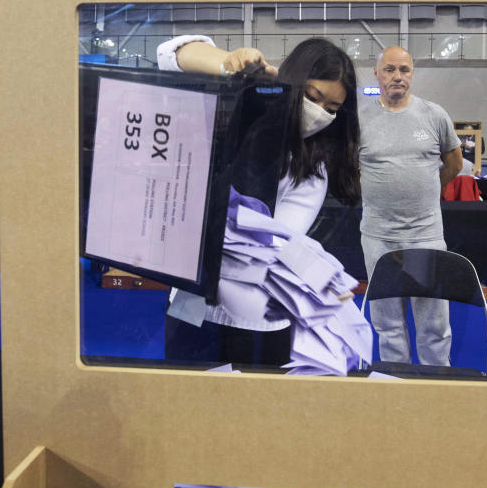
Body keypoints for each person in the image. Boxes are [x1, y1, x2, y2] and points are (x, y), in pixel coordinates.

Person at [157, 35, 360, 366]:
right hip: (192, 300)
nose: (319, 113)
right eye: (312, 96)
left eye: (332, 108)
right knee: (184, 400)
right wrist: (229, 63)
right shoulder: (241, 108)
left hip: (258, 316)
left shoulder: (313, 166)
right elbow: (170, 54)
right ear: (293, 83)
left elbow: (269, 241)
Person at [358, 46, 463, 366]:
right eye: (389, 70)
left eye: (404, 70)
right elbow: (349, 167)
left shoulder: (434, 115)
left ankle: (436, 385)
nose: (397, 77)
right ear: (377, 74)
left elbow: (454, 164)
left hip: (424, 236)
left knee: (433, 324)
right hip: (378, 237)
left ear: (412, 74)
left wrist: (424, 191)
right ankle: (395, 385)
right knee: (388, 324)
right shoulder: (359, 119)